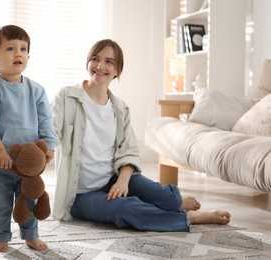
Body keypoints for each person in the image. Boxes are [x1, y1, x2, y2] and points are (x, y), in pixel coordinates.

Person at [50, 39, 231, 232]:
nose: (100, 66)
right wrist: (41, 151)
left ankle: (175, 202)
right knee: (124, 209)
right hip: (80, 194)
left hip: (112, 177)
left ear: (118, 70)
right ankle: (187, 217)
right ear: (88, 63)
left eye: (109, 62)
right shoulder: (67, 96)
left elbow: (129, 151)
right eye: (95, 59)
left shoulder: (120, 108)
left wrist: (122, 181)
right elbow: (50, 131)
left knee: (167, 196)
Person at [0, 25, 56, 252]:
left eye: (23, 48)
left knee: (28, 198)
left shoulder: (36, 90)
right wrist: (0, 151)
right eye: (10, 48)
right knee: (0, 203)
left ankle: (31, 234)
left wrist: (49, 146)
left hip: (28, 163)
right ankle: (0, 236)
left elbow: (46, 120)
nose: (18, 53)